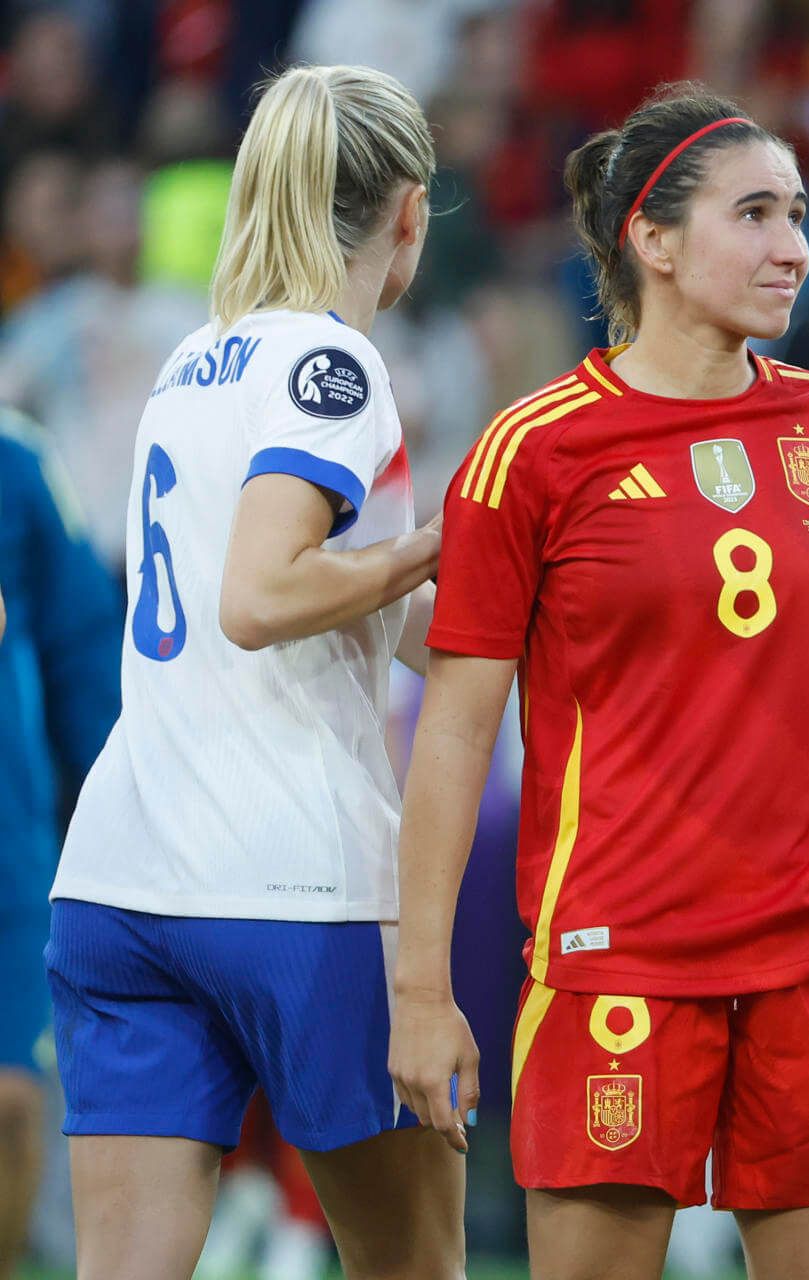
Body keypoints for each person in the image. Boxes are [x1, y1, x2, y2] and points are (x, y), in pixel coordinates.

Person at [386, 84, 809, 1280]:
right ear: (649, 239)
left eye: (798, 214)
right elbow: (451, 734)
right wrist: (421, 988)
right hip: (619, 953)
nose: (794, 246)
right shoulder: (534, 451)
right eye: (754, 214)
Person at [42, 65, 458, 1280]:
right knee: (419, 1267)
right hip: (293, 881)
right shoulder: (336, 365)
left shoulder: (194, 363)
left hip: (122, 877)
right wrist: (443, 541)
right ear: (410, 213)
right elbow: (267, 595)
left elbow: (348, 607)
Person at [0, 407, 121, 1280]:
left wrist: (118, 803)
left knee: (8, 1104)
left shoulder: (17, 462)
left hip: (11, 833)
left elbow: (84, 653)